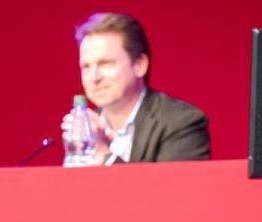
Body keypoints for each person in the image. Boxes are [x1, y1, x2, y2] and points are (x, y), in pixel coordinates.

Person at [62, 12, 210, 165]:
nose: (94, 78)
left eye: (105, 64)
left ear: (140, 65)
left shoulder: (181, 122)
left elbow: (173, 188)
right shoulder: (85, 130)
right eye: (85, 67)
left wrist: (104, 154)